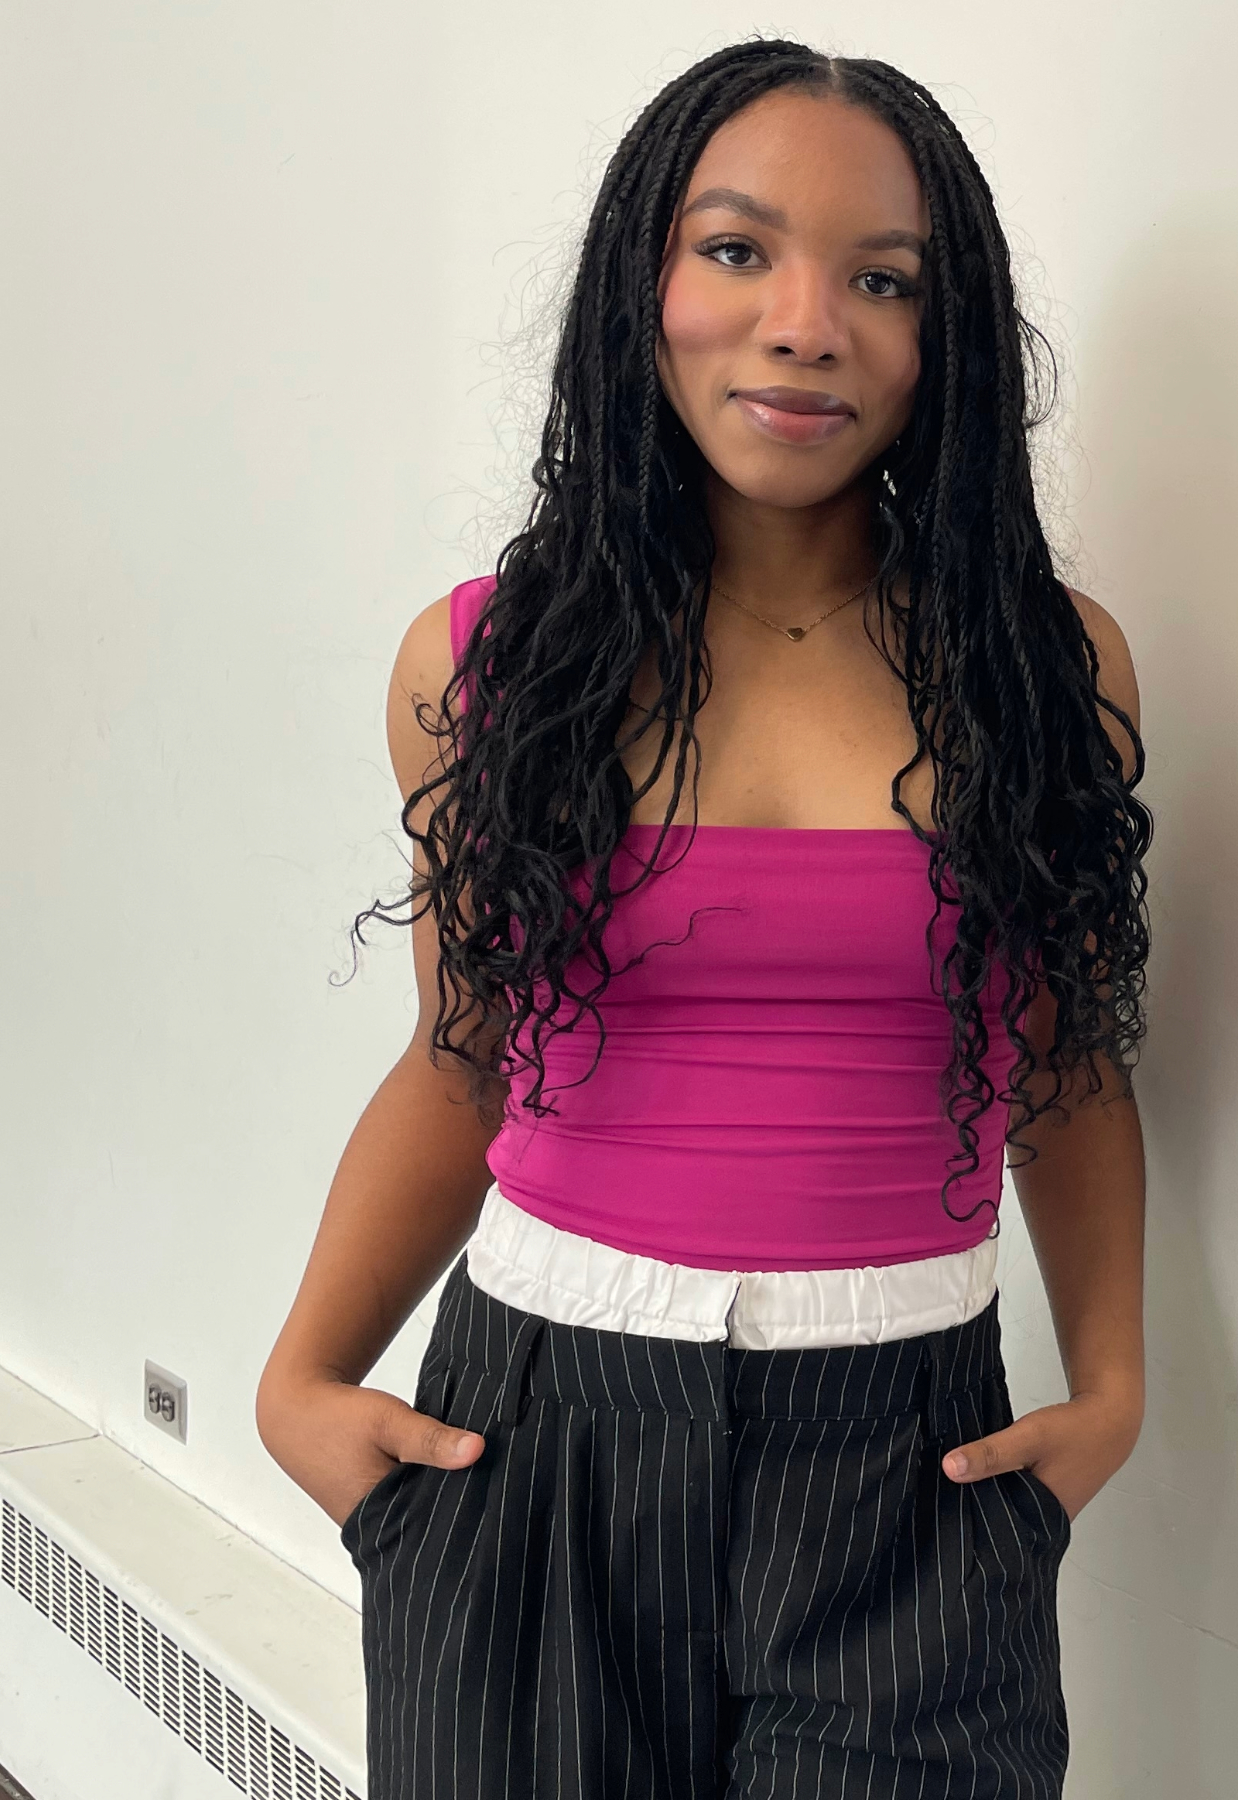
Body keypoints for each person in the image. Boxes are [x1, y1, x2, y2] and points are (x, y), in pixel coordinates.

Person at [254, 40, 1151, 1799]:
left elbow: (1071, 1071)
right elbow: (459, 1060)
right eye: (738, 250)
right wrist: (301, 1381)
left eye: (883, 279)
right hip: (532, 1442)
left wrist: (1114, 1388)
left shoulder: (1051, 667)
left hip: (912, 1465)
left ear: (947, 334)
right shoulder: (484, 666)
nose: (807, 326)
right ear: (640, 288)